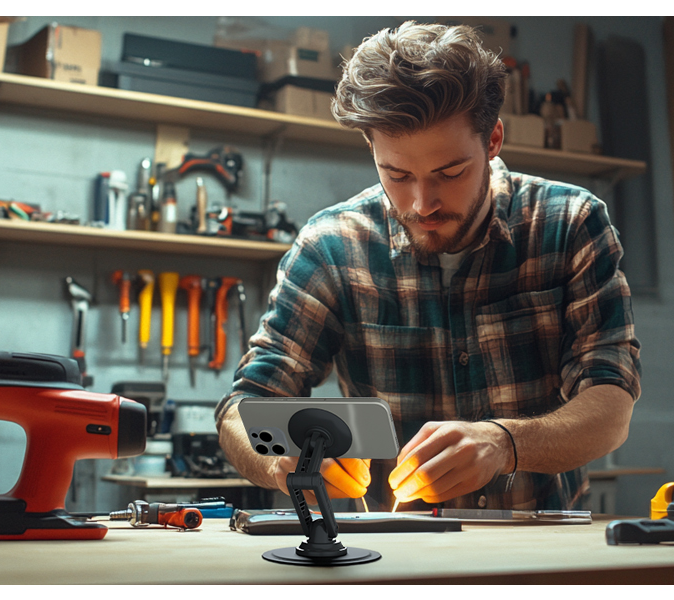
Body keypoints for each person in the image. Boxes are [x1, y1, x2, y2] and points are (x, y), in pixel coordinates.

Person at [214, 21, 641, 511]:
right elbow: (242, 411)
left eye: (450, 172)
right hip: (388, 563)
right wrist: (279, 457)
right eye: (396, 174)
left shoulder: (570, 224)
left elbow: (610, 405)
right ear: (371, 149)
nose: (422, 204)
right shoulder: (331, 246)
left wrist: (505, 443)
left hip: (538, 550)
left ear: (494, 140)